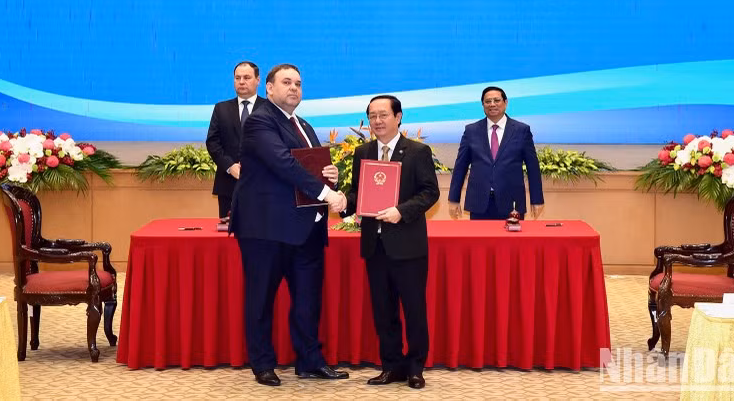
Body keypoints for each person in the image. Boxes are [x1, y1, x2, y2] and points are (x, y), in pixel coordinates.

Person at [233, 64, 349, 386]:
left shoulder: (305, 125)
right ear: (268, 88)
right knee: (261, 299)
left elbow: (310, 167)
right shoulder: (259, 121)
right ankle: (263, 364)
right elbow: (284, 163)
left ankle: (309, 361)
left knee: (308, 300)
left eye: (298, 83)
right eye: (286, 82)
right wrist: (329, 194)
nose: (294, 88)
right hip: (266, 229)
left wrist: (330, 175)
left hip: (306, 228)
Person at [343, 95, 439, 389]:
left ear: (399, 117)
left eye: (383, 115)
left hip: (408, 245)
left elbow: (429, 192)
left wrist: (401, 211)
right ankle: (391, 366)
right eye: (372, 116)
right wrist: (339, 200)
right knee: (383, 311)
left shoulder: (418, 152)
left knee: (413, 310)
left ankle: (415, 368)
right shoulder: (363, 151)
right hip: (376, 246)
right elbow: (358, 195)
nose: (377, 121)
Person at [448, 86, 544, 220]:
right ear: (483, 105)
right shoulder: (471, 131)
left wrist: (537, 200)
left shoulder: (522, 130)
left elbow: (533, 168)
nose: (492, 104)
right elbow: (460, 167)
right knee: (479, 241)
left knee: (512, 241)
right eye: (487, 101)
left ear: (506, 102)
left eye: (496, 100)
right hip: (479, 203)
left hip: (512, 202)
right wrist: (453, 199)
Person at [205, 61, 268, 218]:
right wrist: (229, 166)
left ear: (258, 80)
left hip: (263, 185)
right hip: (228, 184)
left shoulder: (270, 108)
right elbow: (212, 142)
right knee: (228, 237)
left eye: (247, 77)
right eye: (237, 78)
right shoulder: (221, 108)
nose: (241, 82)